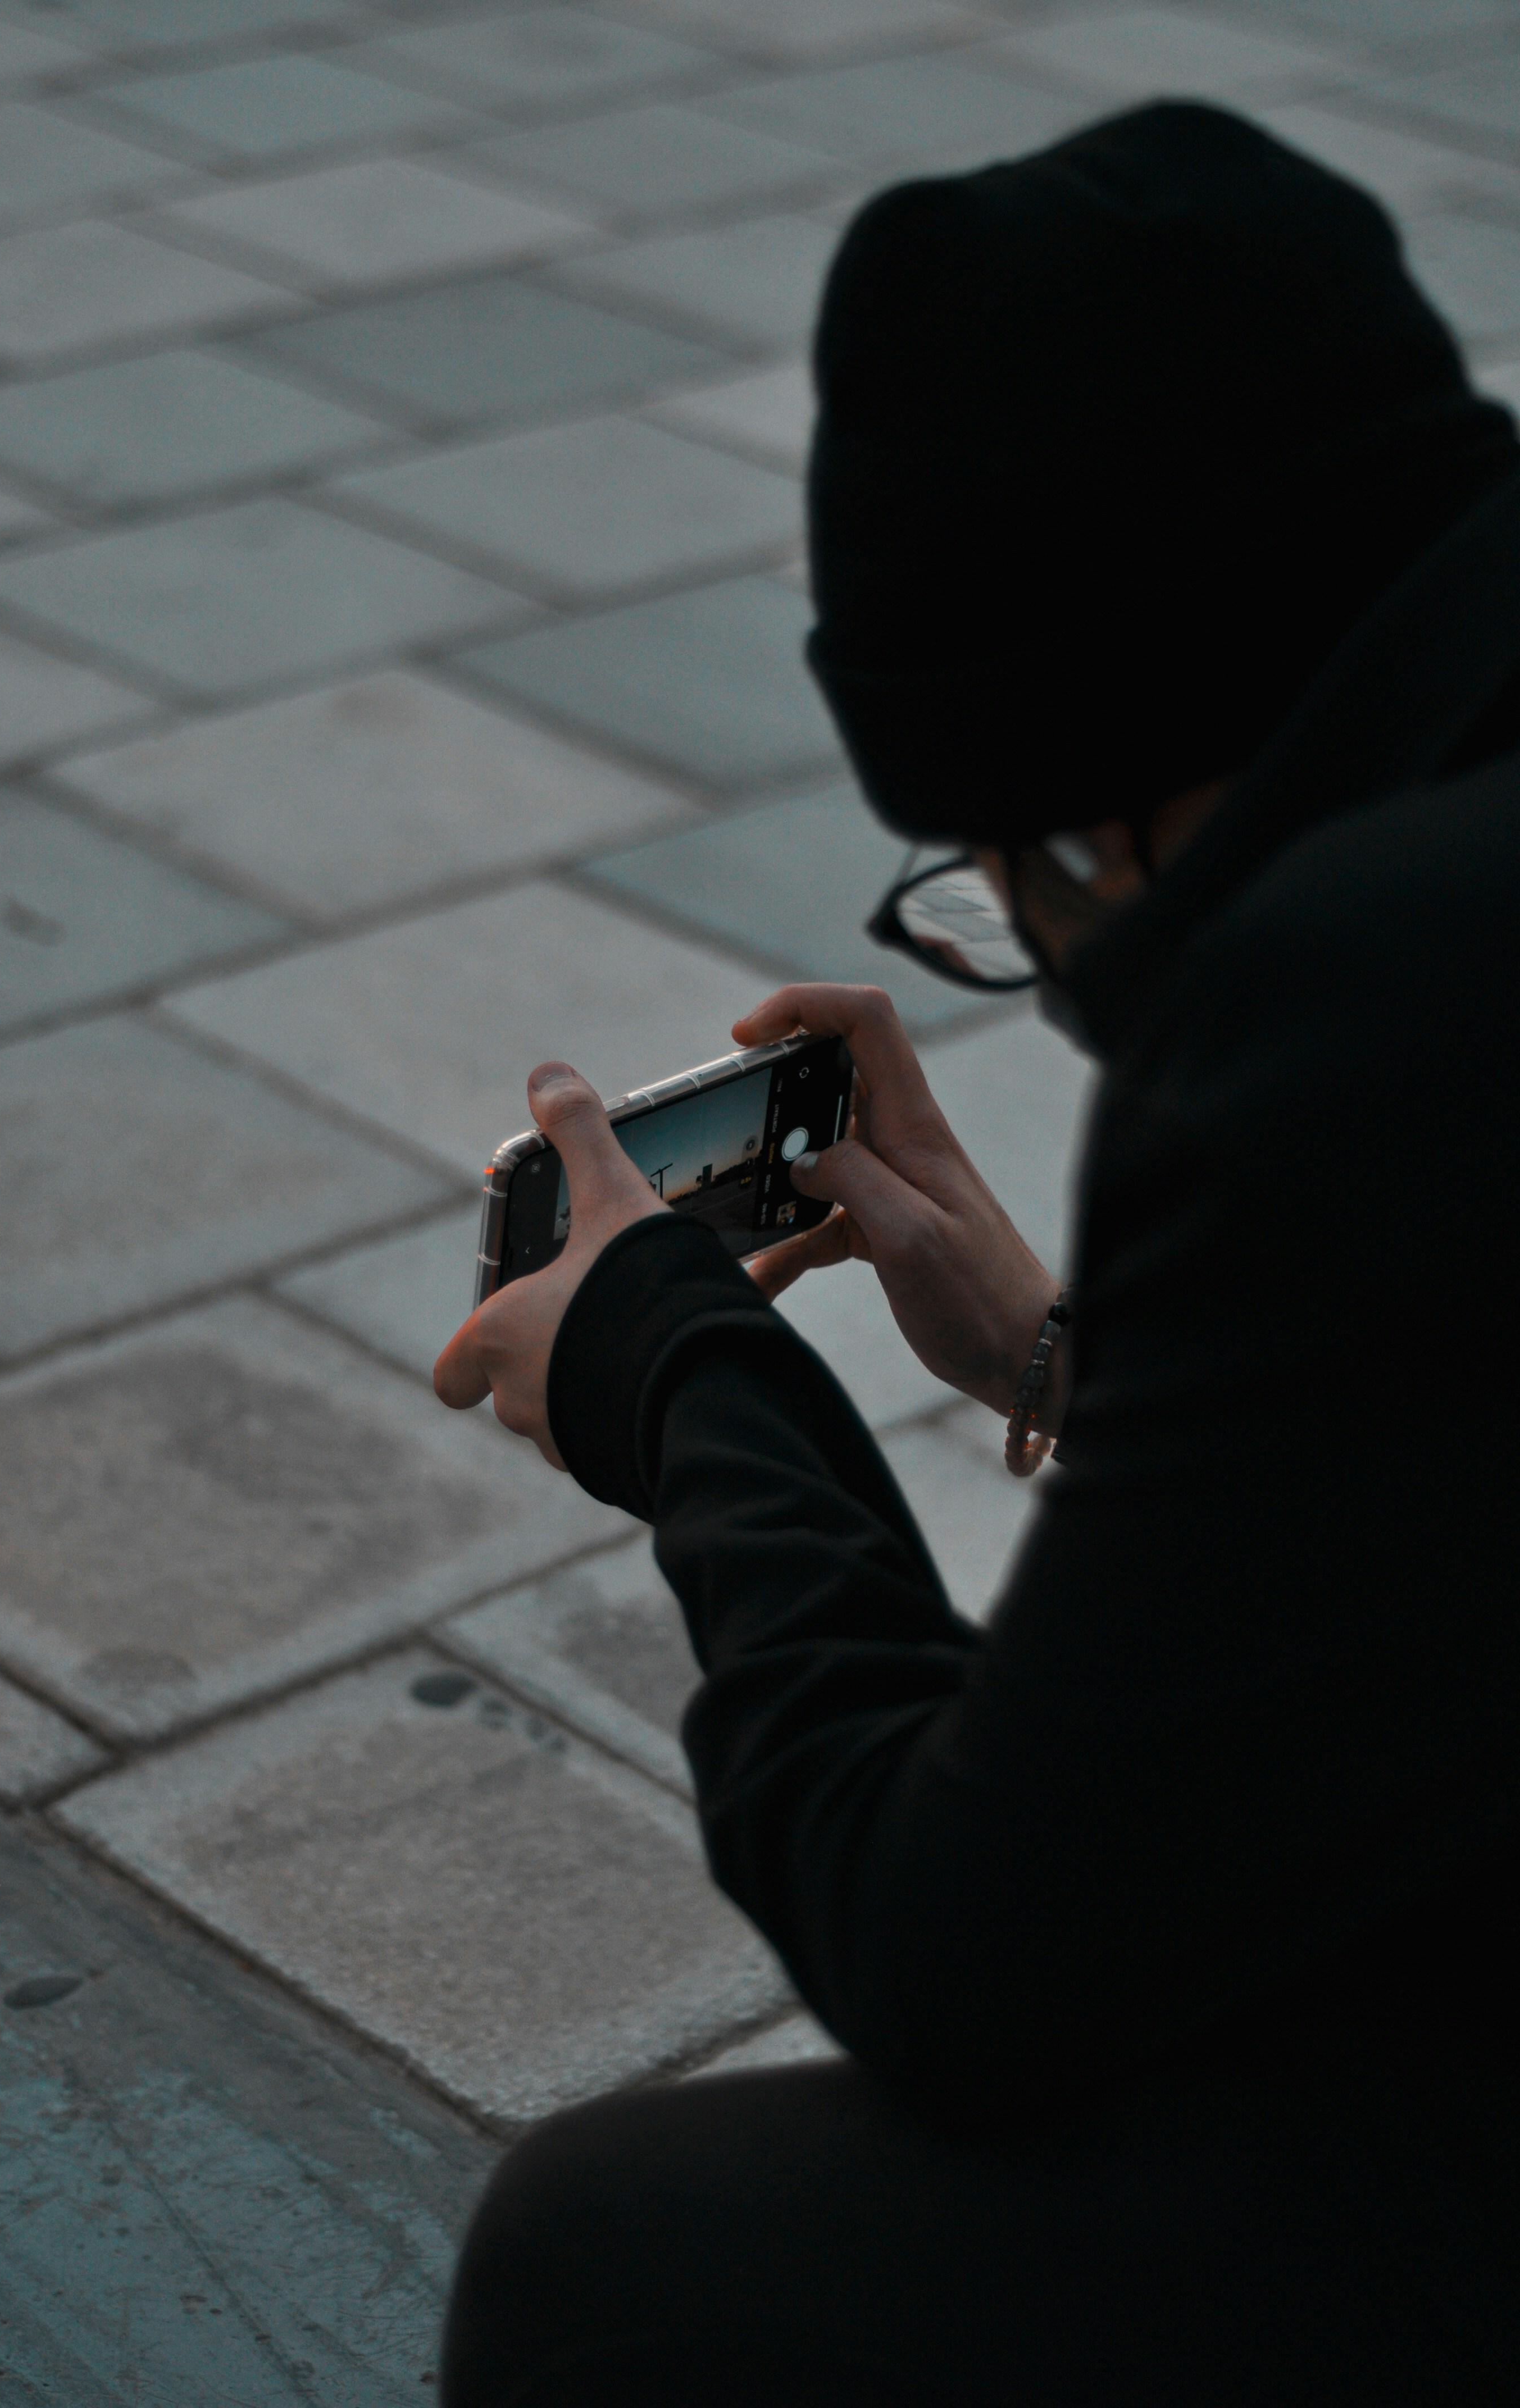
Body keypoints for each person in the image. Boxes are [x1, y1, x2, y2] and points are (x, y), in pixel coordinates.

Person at [431, 102, 1520, 2405]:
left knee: (607, 2254)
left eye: (1007, 869)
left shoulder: (1362, 993)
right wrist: (1056, 1348)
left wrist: (684, 1378)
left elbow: (965, 1952)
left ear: (1106, 785)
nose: (1028, 926)